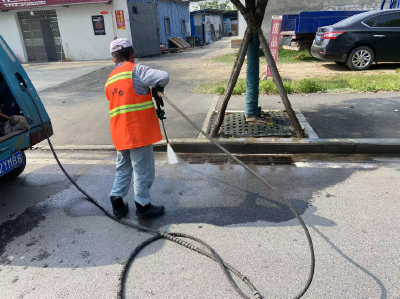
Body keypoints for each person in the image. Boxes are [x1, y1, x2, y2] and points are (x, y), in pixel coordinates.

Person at [105, 38, 169, 219]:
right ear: (133, 55)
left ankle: (117, 203)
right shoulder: (137, 69)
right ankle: (143, 206)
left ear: (113, 59)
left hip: (119, 133)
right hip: (138, 132)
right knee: (143, 170)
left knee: (123, 167)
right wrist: (156, 88)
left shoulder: (110, 79)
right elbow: (163, 77)